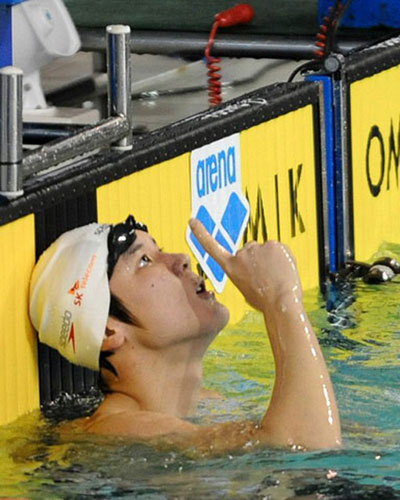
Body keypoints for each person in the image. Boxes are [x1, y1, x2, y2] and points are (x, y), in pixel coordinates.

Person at [29, 215, 342, 455]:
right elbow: (305, 454)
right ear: (109, 330)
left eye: (159, 250)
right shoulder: (119, 427)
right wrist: (281, 299)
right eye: (144, 261)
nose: (181, 259)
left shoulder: (208, 405)